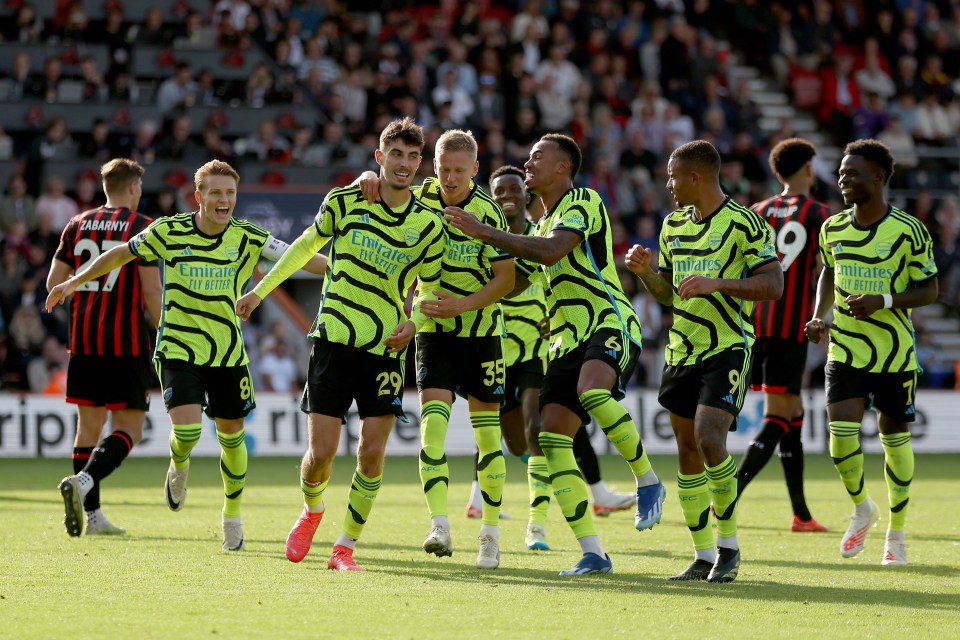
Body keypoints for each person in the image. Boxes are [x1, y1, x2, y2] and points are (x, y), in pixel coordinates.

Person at [46, 160, 326, 551]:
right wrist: (73, 281)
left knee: (233, 441)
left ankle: (232, 518)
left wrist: (344, 270)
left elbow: (298, 257)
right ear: (199, 196)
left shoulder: (248, 237)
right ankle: (179, 464)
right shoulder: (168, 230)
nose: (223, 199)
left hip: (227, 354)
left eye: (229, 193)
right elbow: (118, 256)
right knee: (189, 432)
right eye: (215, 192)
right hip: (178, 349)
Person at [445, 133, 665, 577]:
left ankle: (648, 481)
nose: (528, 164)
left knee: (591, 393)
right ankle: (594, 552)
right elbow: (512, 284)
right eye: (527, 157)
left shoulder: (583, 201)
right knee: (550, 437)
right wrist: (454, 301)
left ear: (563, 167)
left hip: (608, 320)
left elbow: (551, 252)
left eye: (537, 158)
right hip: (565, 340)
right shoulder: (542, 224)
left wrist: (483, 230)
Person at [234, 117, 444, 571]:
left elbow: (434, 286)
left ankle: (344, 547)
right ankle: (312, 511)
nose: (404, 164)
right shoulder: (346, 200)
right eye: (396, 155)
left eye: (412, 157)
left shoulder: (429, 224)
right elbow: (303, 247)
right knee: (320, 456)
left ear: (420, 163)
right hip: (333, 339)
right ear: (379, 157)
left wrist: (417, 321)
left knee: (371, 452)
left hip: (386, 347)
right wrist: (259, 291)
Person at [626, 140, 783, 583]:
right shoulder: (672, 225)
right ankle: (701, 554)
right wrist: (645, 275)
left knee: (709, 438)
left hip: (729, 345)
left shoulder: (745, 223)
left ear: (695, 176)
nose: (669, 184)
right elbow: (671, 293)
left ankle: (729, 548)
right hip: (683, 348)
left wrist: (717, 283)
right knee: (687, 448)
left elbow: (773, 286)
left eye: (673, 176)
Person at [357, 129, 514, 570]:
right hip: (432, 332)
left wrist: (461, 305)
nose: (448, 178)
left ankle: (490, 534)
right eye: (443, 169)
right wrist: (367, 177)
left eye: (458, 172)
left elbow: (505, 281)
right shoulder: (420, 197)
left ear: (475, 171)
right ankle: (440, 525)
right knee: (433, 430)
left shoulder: (489, 214)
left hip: (482, 332)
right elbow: (378, 188)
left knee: (487, 438)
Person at [469, 165, 635, 552]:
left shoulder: (543, 233)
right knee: (511, 442)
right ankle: (484, 499)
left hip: (537, 350)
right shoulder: (487, 242)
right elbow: (496, 287)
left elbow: (556, 276)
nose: (508, 195)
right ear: (492, 197)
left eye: (514, 188)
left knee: (539, 425)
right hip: (494, 347)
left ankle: (537, 526)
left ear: (526, 196)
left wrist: (553, 318)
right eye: (500, 191)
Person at [805, 139, 938, 566]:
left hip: (894, 353)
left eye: (853, 172)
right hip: (844, 348)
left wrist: (883, 300)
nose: (843, 178)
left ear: (878, 177)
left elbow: (930, 289)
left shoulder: (909, 230)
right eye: (841, 172)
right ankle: (863, 508)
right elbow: (828, 272)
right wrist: (819, 315)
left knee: (894, 441)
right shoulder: (833, 228)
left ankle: (896, 534)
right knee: (839, 441)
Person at [49, 158, 163, 537]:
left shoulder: (76, 224)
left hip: (82, 341)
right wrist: (166, 330)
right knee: (130, 427)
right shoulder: (141, 226)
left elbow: (54, 280)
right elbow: (150, 292)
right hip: (125, 342)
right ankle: (84, 482)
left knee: (88, 428)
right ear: (133, 187)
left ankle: (93, 517)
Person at [737, 138, 831, 533]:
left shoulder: (756, 212)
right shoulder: (819, 214)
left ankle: (802, 515)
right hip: (791, 328)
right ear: (809, 169)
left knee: (793, 414)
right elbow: (829, 271)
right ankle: (728, 493)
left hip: (757, 325)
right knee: (779, 417)